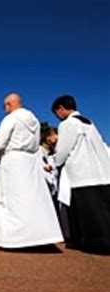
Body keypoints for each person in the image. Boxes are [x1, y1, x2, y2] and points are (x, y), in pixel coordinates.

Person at [0, 93, 63, 249]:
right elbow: (36, 143)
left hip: (13, 160)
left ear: (9, 105)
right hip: (30, 160)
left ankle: (14, 239)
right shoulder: (34, 120)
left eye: (5, 106)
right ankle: (38, 236)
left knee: (11, 199)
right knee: (33, 198)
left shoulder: (10, 119)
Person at [52, 95, 110, 253]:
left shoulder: (67, 124)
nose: (57, 116)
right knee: (103, 210)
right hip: (101, 172)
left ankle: (95, 244)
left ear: (61, 109)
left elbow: (63, 149)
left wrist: (56, 163)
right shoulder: (89, 122)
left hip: (82, 174)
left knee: (88, 212)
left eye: (56, 113)